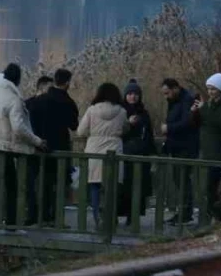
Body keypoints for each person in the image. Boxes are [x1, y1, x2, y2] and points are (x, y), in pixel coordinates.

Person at [0, 63, 46, 225]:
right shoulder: (14, 99)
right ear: (17, 80)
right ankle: (11, 222)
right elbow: (19, 128)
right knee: (12, 186)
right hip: (5, 147)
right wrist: (37, 141)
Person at [27, 68, 81, 220]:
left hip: (39, 146)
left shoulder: (39, 100)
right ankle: (55, 217)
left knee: (41, 182)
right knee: (58, 183)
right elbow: (74, 125)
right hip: (60, 148)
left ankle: (38, 216)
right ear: (67, 83)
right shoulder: (67, 101)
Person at [77, 82, 127, 227]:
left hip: (94, 151)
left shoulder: (92, 110)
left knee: (95, 186)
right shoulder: (122, 112)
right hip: (114, 152)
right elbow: (125, 129)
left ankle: (97, 218)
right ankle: (111, 218)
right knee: (112, 187)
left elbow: (81, 131)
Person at [159, 78, 199, 223]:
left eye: (167, 93)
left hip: (185, 147)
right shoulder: (174, 102)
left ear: (175, 88)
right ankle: (183, 211)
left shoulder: (186, 100)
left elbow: (187, 122)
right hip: (176, 146)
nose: (166, 96)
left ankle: (185, 212)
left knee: (182, 180)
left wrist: (169, 128)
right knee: (178, 180)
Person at [119, 78, 155, 225]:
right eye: (130, 94)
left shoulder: (144, 113)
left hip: (141, 154)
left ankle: (132, 216)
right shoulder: (121, 111)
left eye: (135, 94)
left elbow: (149, 134)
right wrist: (128, 124)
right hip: (124, 154)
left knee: (138, 187)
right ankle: (120, 214)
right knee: (123, 187)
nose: (132, 97)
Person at [196, 72, 221, 222]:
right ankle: (213, 216)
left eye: (213, 89)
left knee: (214, 188)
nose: (210, 92)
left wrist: (203, 110)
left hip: (218, 152)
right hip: (208, 151)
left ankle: (218, 216)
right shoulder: (208, 105)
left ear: (220, 90)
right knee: (209, 188)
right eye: (209, 89)